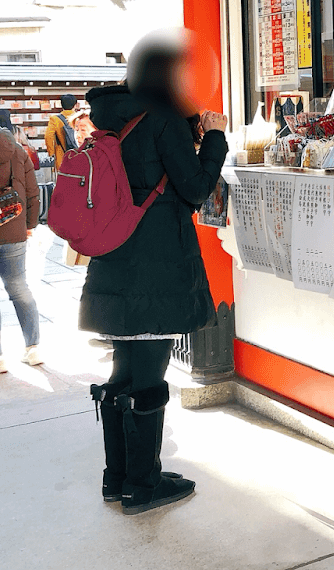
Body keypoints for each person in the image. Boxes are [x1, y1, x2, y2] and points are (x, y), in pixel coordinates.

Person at [79, 32, 227, 514]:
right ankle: (143, 485)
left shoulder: (112, 116)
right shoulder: (162, 119)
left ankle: (118, 478)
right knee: (148, 379)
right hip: (156, 271)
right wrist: (217, 137)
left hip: (114, 265)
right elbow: (194, 189)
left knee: (125, 372)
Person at [0, 109, 43, 372]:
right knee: (19, 288)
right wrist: (30, 225)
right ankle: (33, 348)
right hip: (13, 228)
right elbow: (32, 192)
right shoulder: (17, 151)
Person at [44, 94, 79, 173]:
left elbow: (48, 136)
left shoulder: (55, 119)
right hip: (80, 156)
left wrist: (51, 153)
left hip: (62, 157)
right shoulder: (80, 118)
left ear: (61, 104)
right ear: (75, 104)